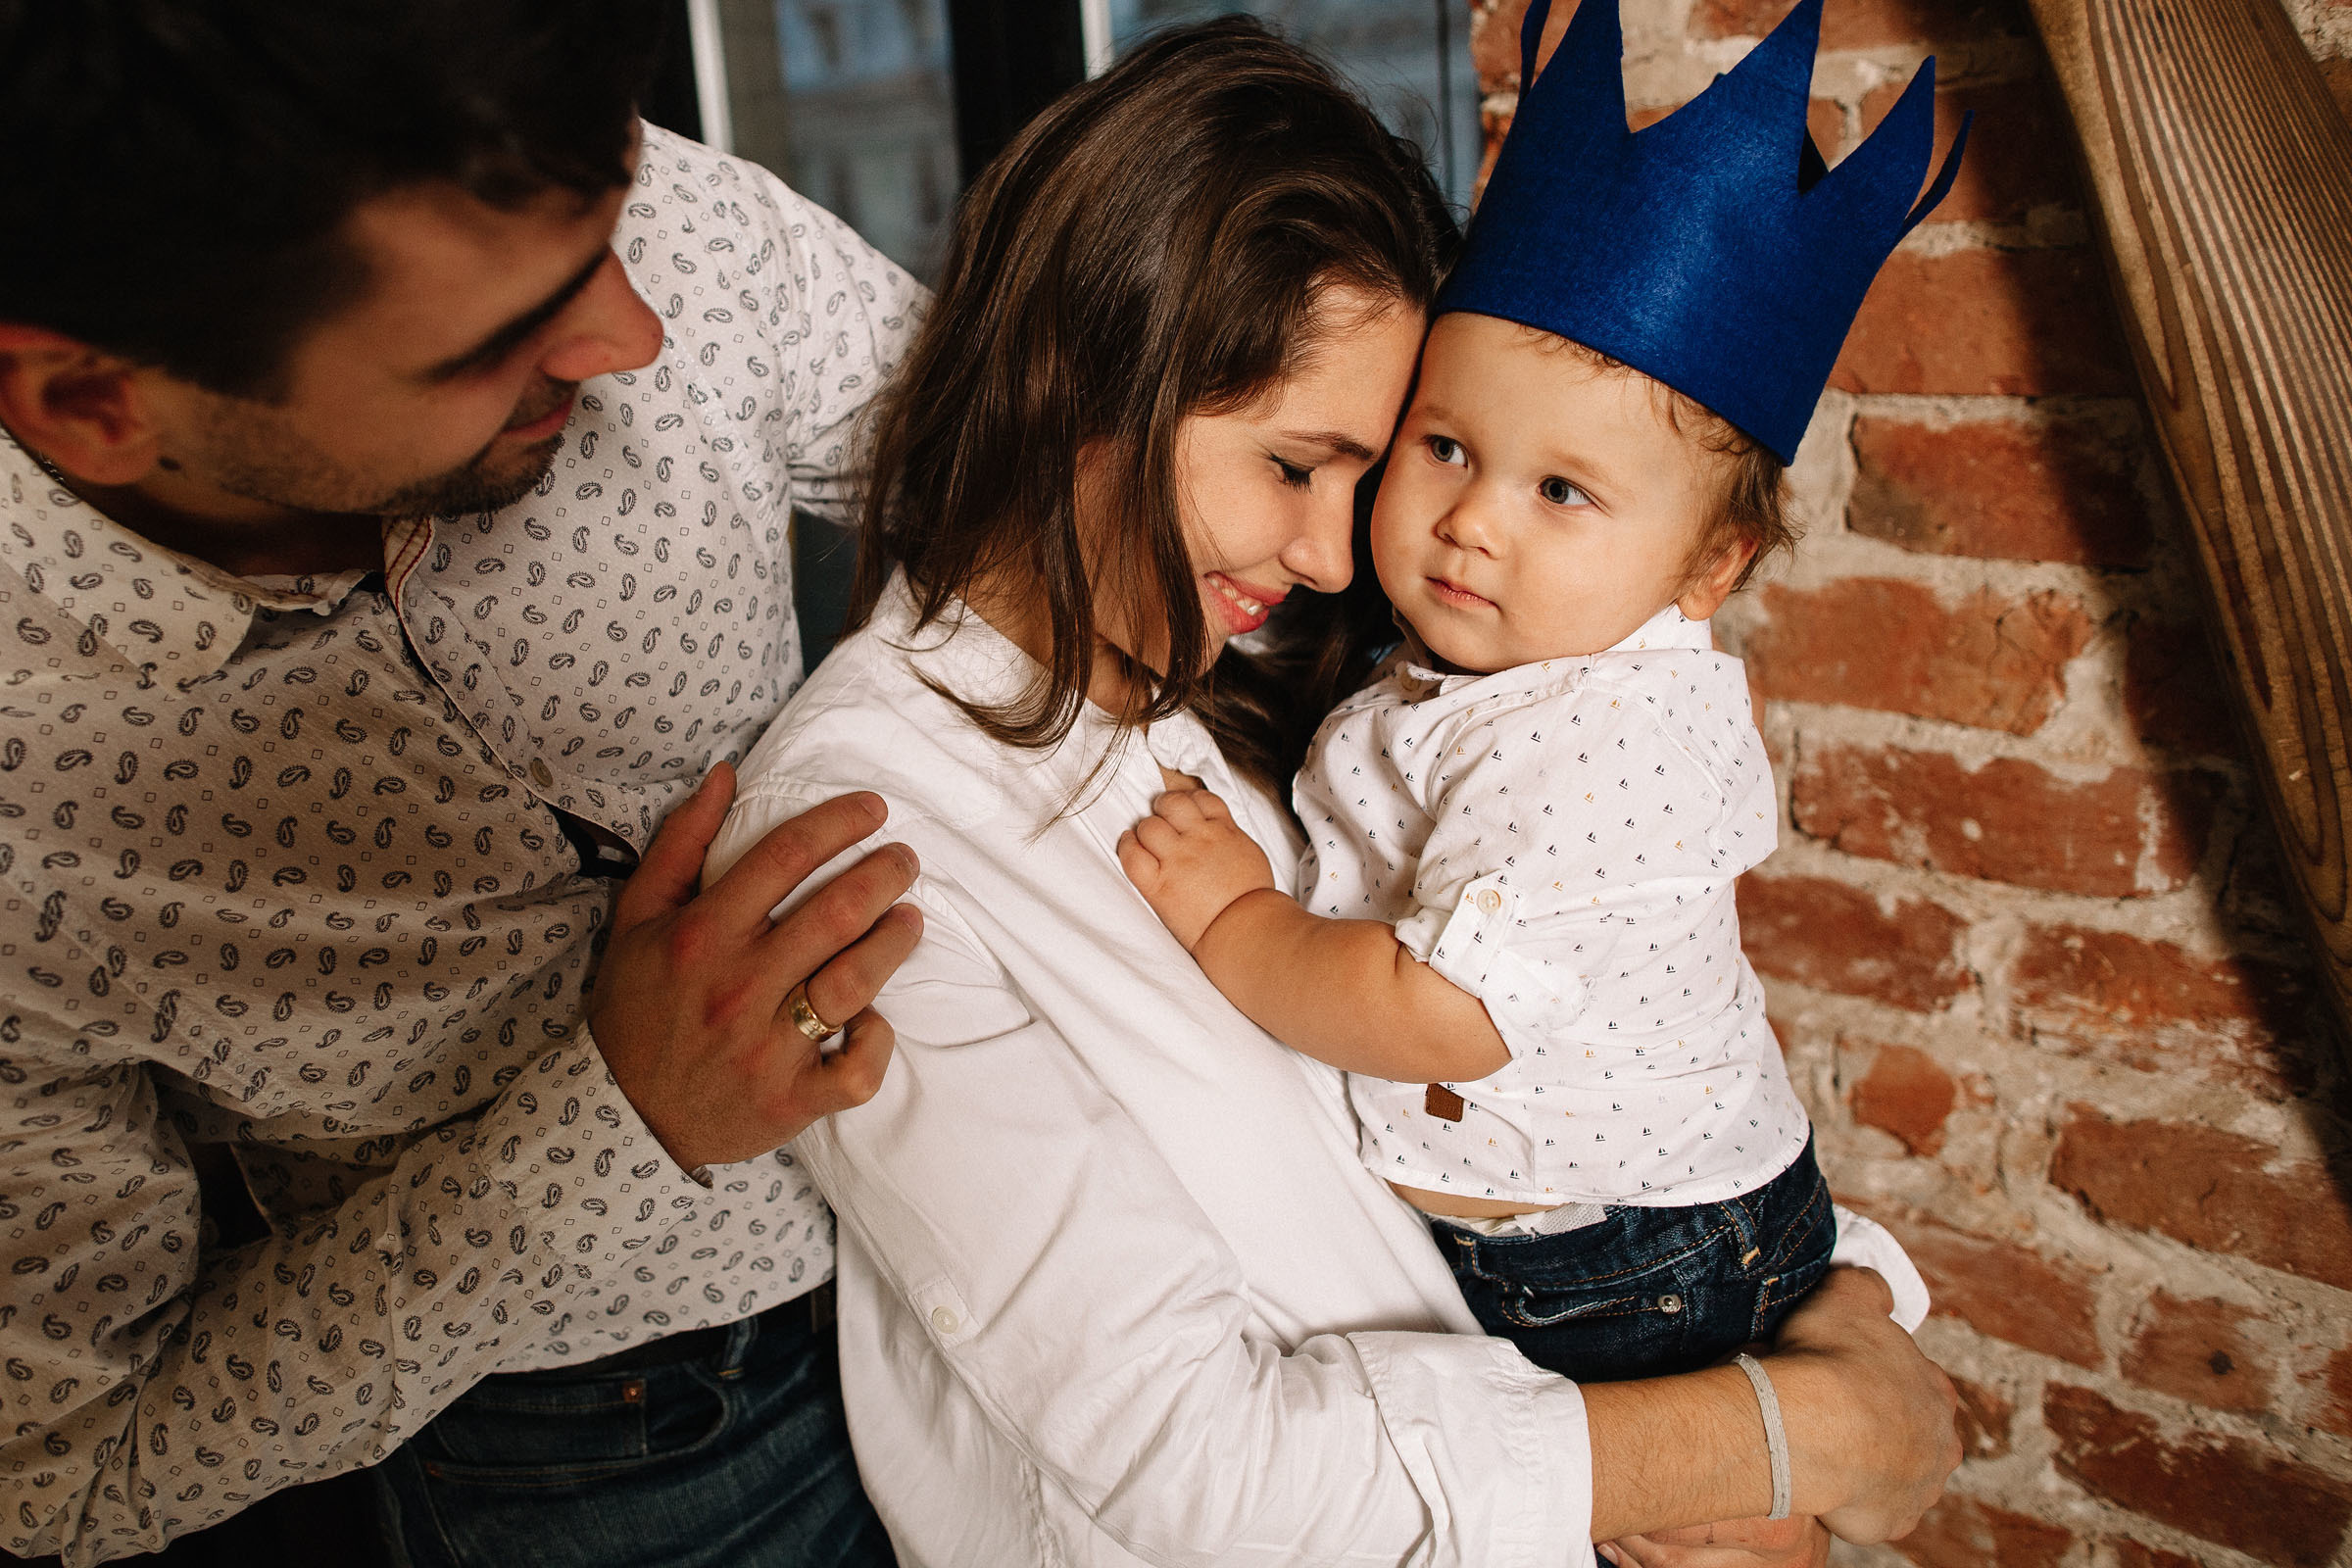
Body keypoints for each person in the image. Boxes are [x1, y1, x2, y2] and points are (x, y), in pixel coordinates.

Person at [709, 19, 1959, 1567]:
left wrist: (1851, 1320)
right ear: (1068, 372)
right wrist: (1784, 1437)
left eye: (1367, 478)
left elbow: (1618, 1052)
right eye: (1299, 467)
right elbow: (1199, 1467)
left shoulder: (1278, 700)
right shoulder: (861, 838)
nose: (1332, 556)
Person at [0, 4, 925, 1563]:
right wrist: (611, 1128)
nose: (636, 333)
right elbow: (71, 1468)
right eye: (490, 346)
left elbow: (1013, 462)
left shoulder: (571, 185)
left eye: (623, 220)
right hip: (624, 1438)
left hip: (1016, 1200)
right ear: (98, 404)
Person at [1117, 0, 1960, 1388]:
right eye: (1444, 447)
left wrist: (1236, 920)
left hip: (1625, 1264)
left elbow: (1446, 1013)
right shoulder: (1499, 666)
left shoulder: (1595, 739)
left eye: (1562, 491)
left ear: (1709, 566)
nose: (1473, 523)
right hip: (1608, 1227)